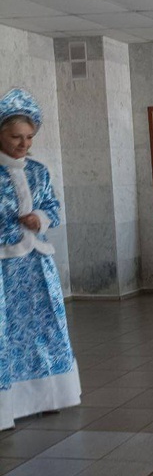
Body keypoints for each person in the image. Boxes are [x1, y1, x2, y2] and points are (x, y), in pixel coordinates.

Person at [0, 88, 80, 430]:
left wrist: (40, 219)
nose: (24, 144)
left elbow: (53, 207)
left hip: (36, 264)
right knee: (6, 331)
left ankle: (47, 396)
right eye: (16, 137)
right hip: (4, 267)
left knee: (44, 325)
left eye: (29, 137)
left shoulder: (38, 171)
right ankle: (8, 405)